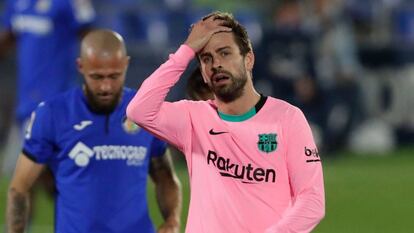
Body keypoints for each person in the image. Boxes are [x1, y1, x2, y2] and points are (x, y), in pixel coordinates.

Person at [127, 11, 325, 232]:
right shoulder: (193, 118)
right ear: (202, 72)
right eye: (206, 58)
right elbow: (139, 110)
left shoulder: (287, 118)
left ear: (248, 59)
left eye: (224, 53)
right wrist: (186, 51)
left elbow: (312, 200)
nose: (216, 65)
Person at [6, 29, 182, 233]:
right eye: (97, 77)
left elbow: (165, 176)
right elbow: (19, 188)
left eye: (114, 76)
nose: (106, 86)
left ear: (125, 64)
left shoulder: (145, 111)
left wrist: (172, 221)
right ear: (81, 66)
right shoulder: (53, 114)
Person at [0, 0, 96, 174]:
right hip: (27, 99)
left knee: (48, 171)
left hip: (58, 98)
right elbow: (8, 37)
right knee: (32, 174)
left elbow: (91, 38)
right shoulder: (17, 3)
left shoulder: (70, 3)